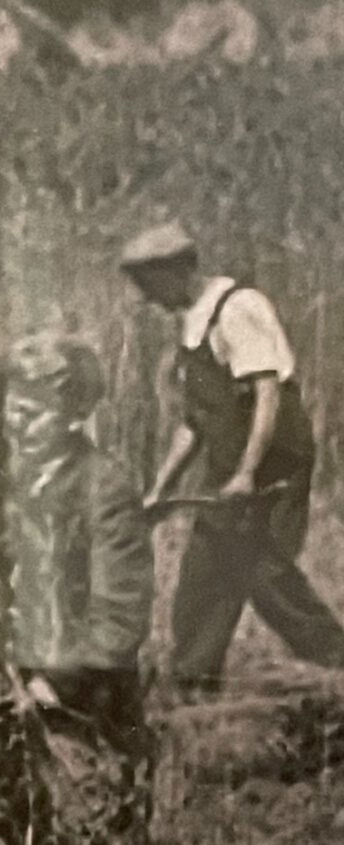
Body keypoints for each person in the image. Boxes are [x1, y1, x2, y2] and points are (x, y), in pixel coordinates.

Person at [0, 334, 157, 845]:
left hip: (81, 710)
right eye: (13, 406)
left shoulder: (105, 489)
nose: (19, 422)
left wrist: (53, 684)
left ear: (75, 415)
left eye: (37, 410)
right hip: (7, 695)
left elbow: (119, 620)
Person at [119, 219, 344, 693]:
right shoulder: (191, 324)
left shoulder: (237, 308)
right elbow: (193, 424)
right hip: (229, 465)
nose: (150, 300)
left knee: (260, 570)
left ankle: (333, 663)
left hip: (272, 462)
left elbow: (267, 394)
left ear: (174, 271)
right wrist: (161, 490)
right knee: (207, 570)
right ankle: (192, 689)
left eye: (149, 286)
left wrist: (246, 473)